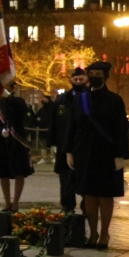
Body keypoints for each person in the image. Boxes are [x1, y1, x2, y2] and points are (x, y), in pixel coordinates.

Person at [66, 61, 129, 247]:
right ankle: (92, 234)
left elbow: (121, 129)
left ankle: (104, 234)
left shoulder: (115, 100)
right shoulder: (80, 99)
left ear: (105, 76)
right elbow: (72, 126)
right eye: (91, 74)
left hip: (107, 153)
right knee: (89, 195)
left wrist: (120, 154)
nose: (94, 77)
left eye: (98, 74)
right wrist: (68, 151)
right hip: (84, 152)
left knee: (105, 195)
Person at [0, 81, 34, 212]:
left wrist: (9, 96)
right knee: (3, 173)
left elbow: (24, 110)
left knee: (19, 172)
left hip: (17, 143)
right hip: (2, 143)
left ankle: (15, 202)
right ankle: (7, 202)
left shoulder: (18, 102)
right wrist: (0, 131)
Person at [48, 68, 88, 213]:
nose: (78, 82)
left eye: (81, 79)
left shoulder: (90, 97)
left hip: (83, 146)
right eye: (76, 79)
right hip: (63, 145)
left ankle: (87, 206)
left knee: (84, 178)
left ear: (86, 80)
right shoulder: (62, 99)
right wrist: (52, 143)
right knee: (65, 179)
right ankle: (67, 207)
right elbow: (53, 122)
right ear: (71, 80)